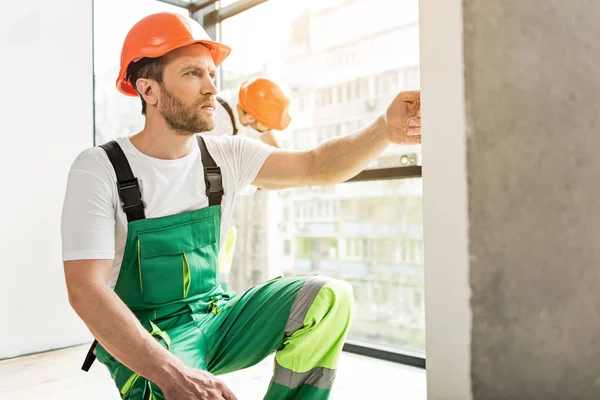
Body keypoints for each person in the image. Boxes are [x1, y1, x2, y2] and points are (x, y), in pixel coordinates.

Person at [61, 12, 421, 400]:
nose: (211, 88)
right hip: (146, 337)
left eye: (212, 75)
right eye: (192, 74)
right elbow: (85, 291)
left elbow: (316, 165)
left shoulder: (225, 156)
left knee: (328, 297)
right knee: (169, 390)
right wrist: (173, 374)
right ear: (148, 90)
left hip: (218, 318)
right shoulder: (101, 168)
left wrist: (384, 130)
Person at [208, 77, 291, 149]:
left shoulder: (248, 98)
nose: (269, 130)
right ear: (250, 118)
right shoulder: (218, 125)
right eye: (268, 127)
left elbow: (268, 137)